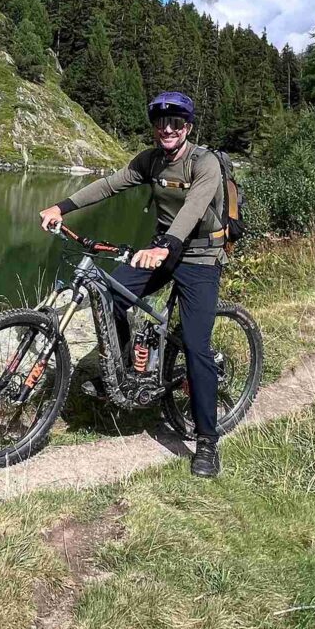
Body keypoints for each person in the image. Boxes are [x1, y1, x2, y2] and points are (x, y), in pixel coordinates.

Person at [38, 90, 228, 478]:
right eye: (161, 123)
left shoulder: (205, 163)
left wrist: (167, 248)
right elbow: (110, 184)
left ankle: (207, 440)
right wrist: (62, 206)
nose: (167, 129)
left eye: (176, 122)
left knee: (195, 346)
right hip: (163, 248)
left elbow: (193, 209)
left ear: (187, 127)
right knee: (109, 296)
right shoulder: (151, 160)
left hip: (200, 256)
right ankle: (120, 371)